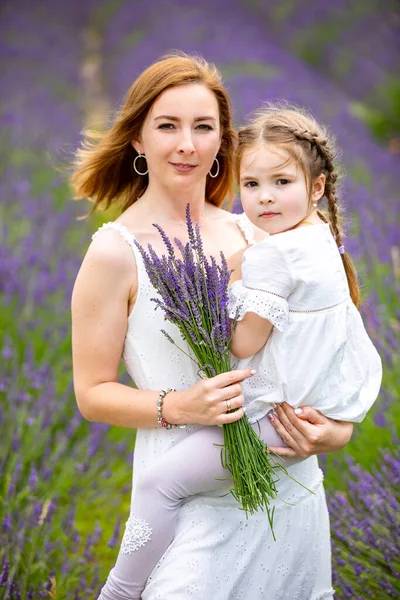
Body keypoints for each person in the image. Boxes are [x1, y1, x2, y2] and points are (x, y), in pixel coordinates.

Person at [71, 53, 354, 600]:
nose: (188, 144)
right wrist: (179, 406)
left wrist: (336, 432)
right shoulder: (115, 252)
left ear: (223, 139)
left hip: (287, 488)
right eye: (168, 126)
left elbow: (325, 347)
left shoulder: (261, 231)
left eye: (204, 127)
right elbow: (91, 394)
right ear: (137, 139)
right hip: (186, 499)